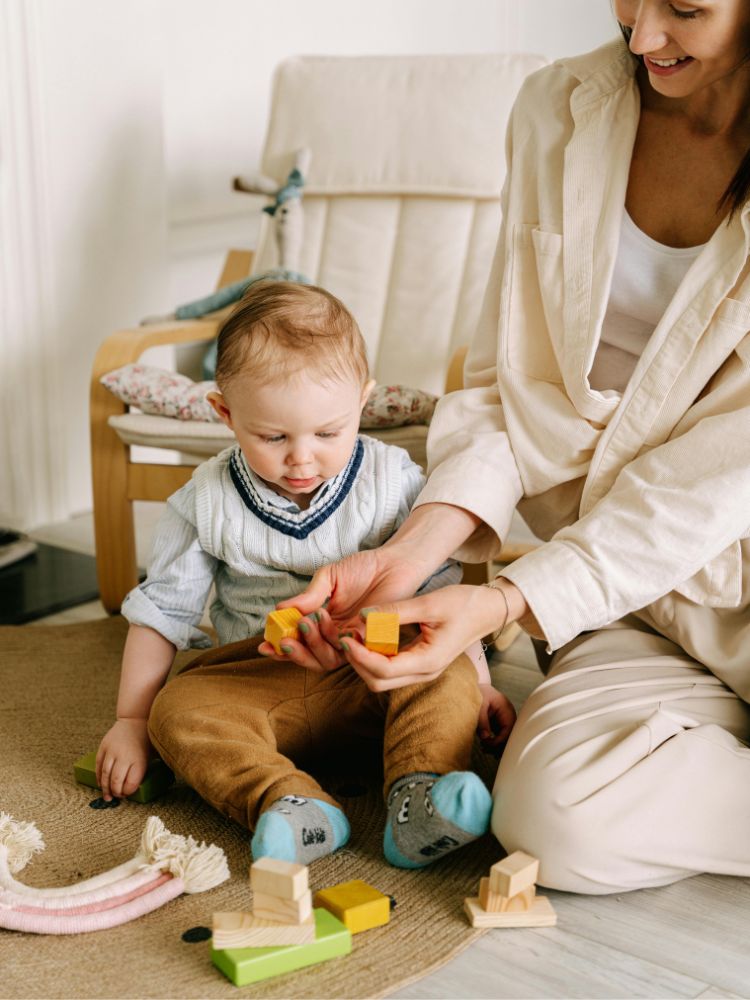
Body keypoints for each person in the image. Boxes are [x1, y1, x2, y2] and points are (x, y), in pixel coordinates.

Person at [278, 0, 750, 894]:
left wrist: (505, 608)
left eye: (684, 8)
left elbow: (711, 486)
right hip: (637, 605)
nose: (642, 36)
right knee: (553, 818)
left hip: (717, 566)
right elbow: (505, 388)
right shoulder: (553, 109)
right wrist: (411, 555)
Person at [95, 280, 516, 868]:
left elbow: (439, 596)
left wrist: (479, 681)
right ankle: (293, 805)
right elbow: (161, 614)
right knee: (178, 712)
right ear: (225, 413)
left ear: (362, 403)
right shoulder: (204, 501)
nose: (302, 457)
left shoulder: (394, 481)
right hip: (257, 679)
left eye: (327, 432)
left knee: (442, 675)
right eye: (273, 437)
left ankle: (421, 796)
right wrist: (131, 719)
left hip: (377, 675)